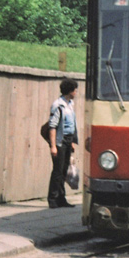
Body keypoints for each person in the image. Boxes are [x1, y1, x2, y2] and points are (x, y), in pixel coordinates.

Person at [47, 79, 78, 209]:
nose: (76, 92)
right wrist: (53, 146)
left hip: (68, 140)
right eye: (75, 90)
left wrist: (72, 142)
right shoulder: (58, 105)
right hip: (60, 141)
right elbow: (52, 126)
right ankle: (53, 199)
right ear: (70, 91)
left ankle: (61, 198)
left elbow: (72, 125)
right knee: (58, 171)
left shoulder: (70, 104)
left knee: (64, 170)